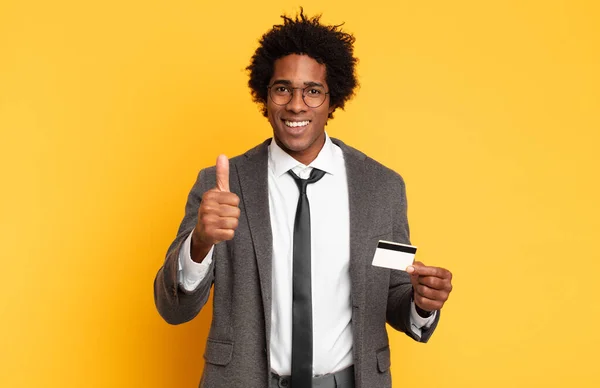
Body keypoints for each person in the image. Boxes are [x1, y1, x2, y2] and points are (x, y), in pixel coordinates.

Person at [154, 9, 453, 388]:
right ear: (266, 95)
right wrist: (199, 244)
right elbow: (173, 309)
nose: (296, 105)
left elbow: (393, 290)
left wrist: (421, 303)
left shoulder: (381, 188)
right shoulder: (220, 186)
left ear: (333, 99)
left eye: (312, 91)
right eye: (283, 89)